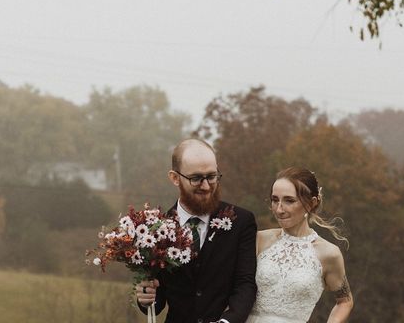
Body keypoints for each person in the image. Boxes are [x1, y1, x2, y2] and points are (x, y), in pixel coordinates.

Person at [136, 138, 257, 323]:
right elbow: (157, 303)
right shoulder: (155, 230)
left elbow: (245, 284)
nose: (206, 186)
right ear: (175, 178)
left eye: (212, 176)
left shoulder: (241, 222)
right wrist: (145, 299)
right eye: (196, 178)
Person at [246, 167, 354, 323]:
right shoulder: (259, 239)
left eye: (289, 200)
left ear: (311, 203)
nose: (279, 209)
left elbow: (345, 301)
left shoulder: (329, 253)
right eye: (275, 200)